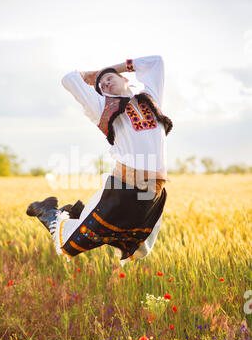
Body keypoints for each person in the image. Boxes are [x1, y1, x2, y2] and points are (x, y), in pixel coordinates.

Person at [27, 56, 173, 266]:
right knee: (71, 244)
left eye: (110, 78)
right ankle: (49, 213)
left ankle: (76, 213)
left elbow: (156, 62)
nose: (105, 83)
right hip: (124, 187)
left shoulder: (151, 98)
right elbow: (69, 79)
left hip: (153, 189)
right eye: (102, 85)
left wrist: (107, 68)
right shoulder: (102, 107)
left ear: (125, 79)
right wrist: (89, 77)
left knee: (133, 243)